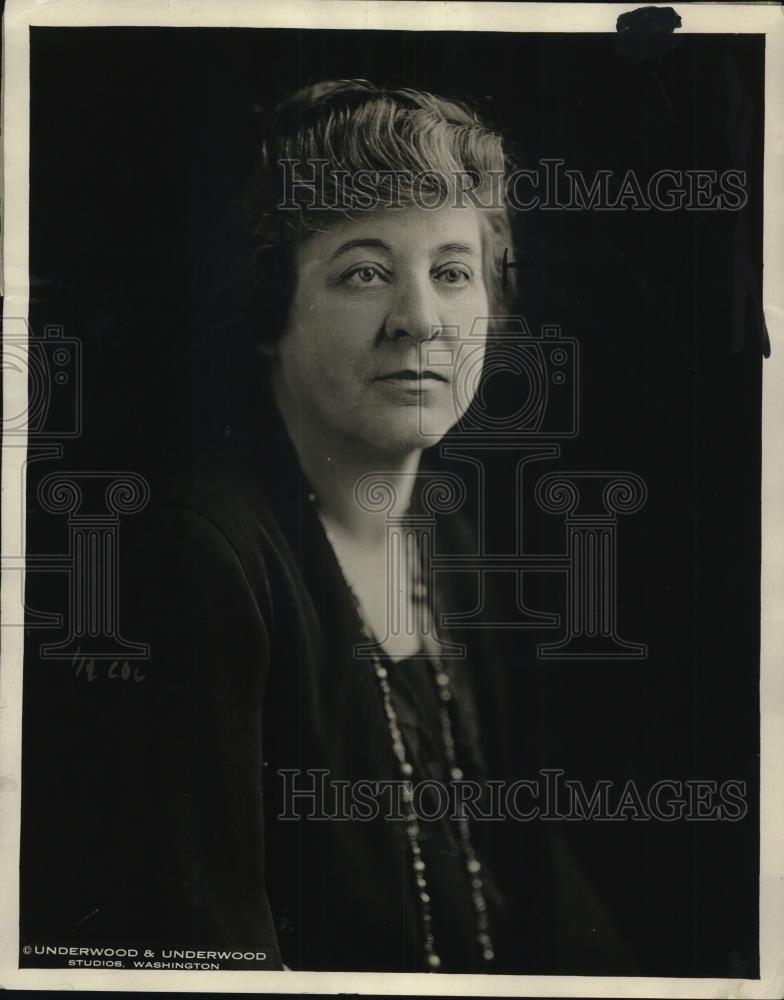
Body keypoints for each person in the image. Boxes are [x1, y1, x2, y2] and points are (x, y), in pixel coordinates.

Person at [29, 79, 627, 976]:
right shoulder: (201, 564)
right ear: (271, 307)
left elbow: (537, 884)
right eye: (365, 271)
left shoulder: (447, 538)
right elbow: (206, 960)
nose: (420, 321)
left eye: (452, 272)